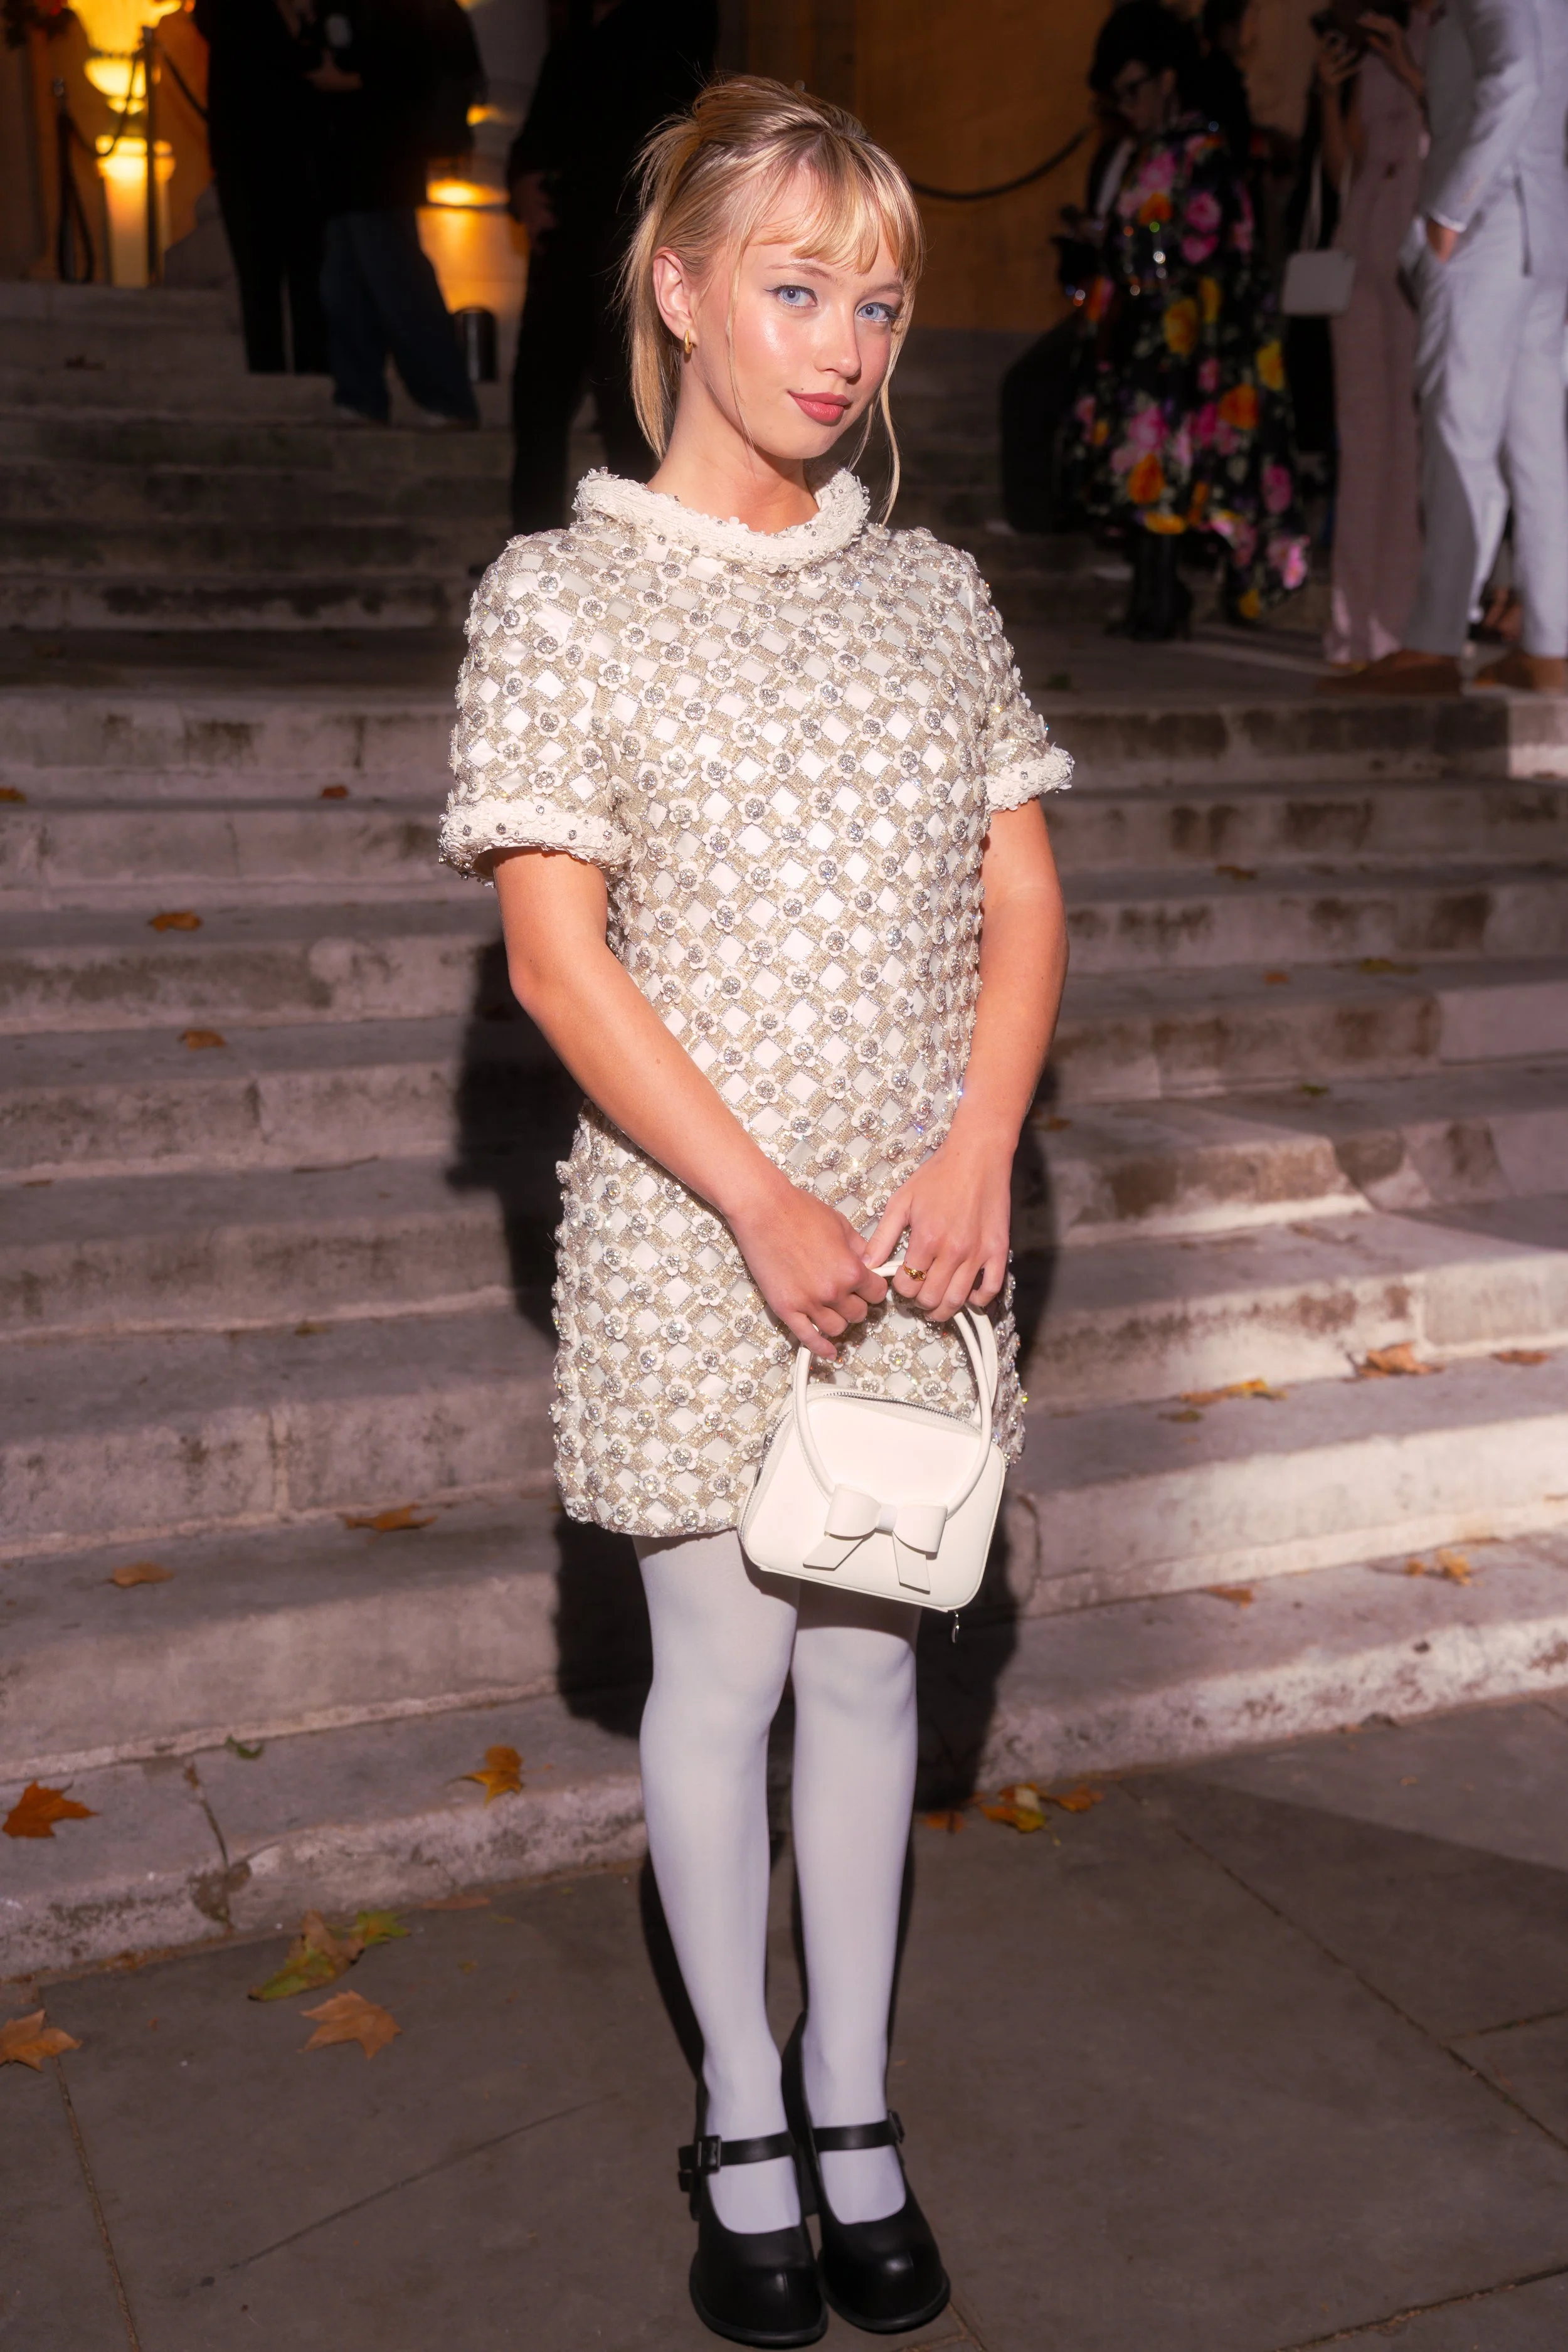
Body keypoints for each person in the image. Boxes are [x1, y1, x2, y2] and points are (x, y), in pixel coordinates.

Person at [441, 76, 1072, 2346]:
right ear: (679, 288)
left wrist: (982, 1141)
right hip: (697, 1231)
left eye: (878, 301)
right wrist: (758, 1196)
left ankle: (851, 2096)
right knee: (715, 1674)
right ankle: (735, 2108)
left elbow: (1021, 889)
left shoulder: (928, 593)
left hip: (918, 1227)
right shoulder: (562, 594)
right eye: (794, 287)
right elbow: (552, 957)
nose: (841, 343)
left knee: (873, 1661)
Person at [1327, 0, 1568, 696]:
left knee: (1457, 434)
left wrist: (1450, 211)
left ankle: (1434, 642)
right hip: (1537, 223)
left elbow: (1516, 76)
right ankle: (1551, 643)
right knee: (1535, 449)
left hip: (1488, 225)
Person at [1061, 0, 1310, 640]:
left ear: (1167, 79)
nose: (1127, 104)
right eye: (1118, 96)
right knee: (1142, 469)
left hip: (1188, 346)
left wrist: (1149, 252)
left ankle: (1162, 602)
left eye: (1134, 89)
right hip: (1142, 339)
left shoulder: (1203, 148)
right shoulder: (1149, 152)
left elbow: (1215, 248)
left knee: (1169, 472)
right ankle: (1151, 598)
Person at [507, 0, 718, 531]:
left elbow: (666, 132)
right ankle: (527, 552)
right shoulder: (573, 40)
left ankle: (637, 551)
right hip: (563, 248)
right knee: (536, 410)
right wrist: (523, 182)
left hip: (628, 249)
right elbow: (534, 136)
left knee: (629, 409)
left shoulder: (673, 21)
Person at [1313, 4, 1431, 672]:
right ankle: (1350, 635)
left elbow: (1469, 126)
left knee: (1410, 445)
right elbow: (1343, 171)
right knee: (1361, 442)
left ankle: (1398, 632)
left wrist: (1406, 63)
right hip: (1360, 242)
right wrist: (1331, 92)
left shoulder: (1451, 29)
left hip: (1424, 241)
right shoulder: (1372, 31)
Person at [311, 0, 482, 427]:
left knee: (399, 284)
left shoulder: (398, 11)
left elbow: (408, 74)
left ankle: (445, 398)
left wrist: (347, 80)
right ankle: (360, 395)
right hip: (348, 169)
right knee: (346, 289)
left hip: (382, 168)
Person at [193, 0, 329, 373]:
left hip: (303, 153)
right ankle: (268, 371)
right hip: (246, 153)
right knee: (258, 277)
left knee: (309, 272)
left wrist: (306, 21)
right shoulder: (233, 12)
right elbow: (219, 25)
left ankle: (313, 370)